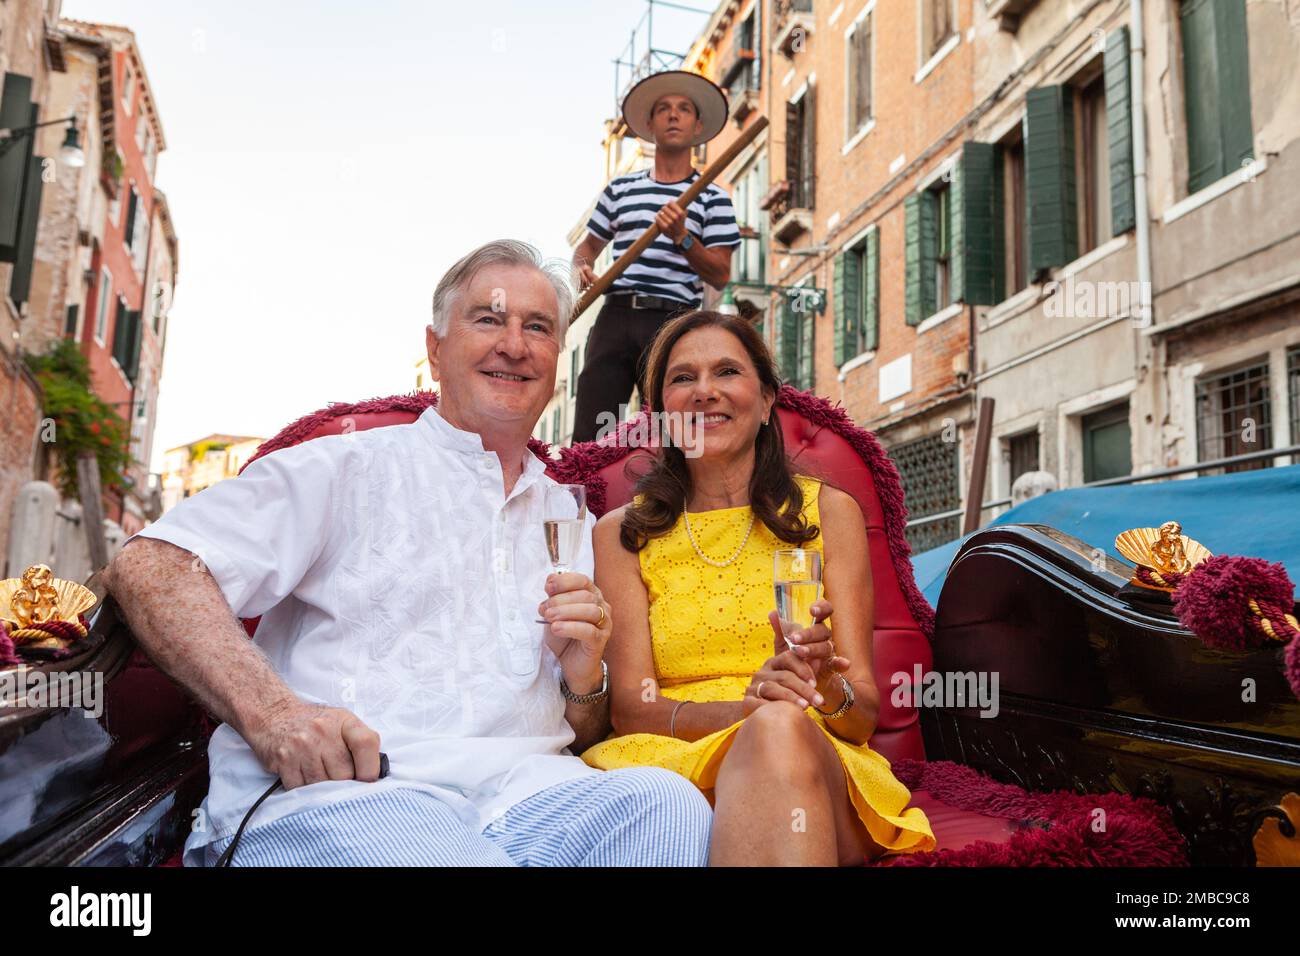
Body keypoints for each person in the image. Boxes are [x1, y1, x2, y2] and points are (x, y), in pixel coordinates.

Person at [105, 240, 712, 867]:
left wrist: (585, 680)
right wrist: (275, 714)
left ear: (556, 358)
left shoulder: (572, 515)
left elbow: (581, 731)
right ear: (434, 348)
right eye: (488, 319)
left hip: (528, 796)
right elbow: (155, 563)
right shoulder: (344, 467)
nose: (515, 343)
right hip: (357, 795)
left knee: (665, 805)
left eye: (538, 327)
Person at [581, 310, 937, 866]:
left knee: (779, 728)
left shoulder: (829, 513)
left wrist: (821, 681)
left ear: (768, 399)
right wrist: (747, 710)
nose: (704, 392)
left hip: (812, 765)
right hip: (669, 770)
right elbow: (631, 707)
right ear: (660, 412)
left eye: (727, 371)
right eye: (681, 378)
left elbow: (862, 713)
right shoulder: (620, 534)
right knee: (770, 723)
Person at [570, 70, 740, 443]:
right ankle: (581, 498)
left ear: (697, 125)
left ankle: (668, 499)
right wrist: (582, 266)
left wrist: (682, 237)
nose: (673, 115)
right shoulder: (620, 190)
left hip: (673, 320)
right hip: (615, 313)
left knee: (670, 429)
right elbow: (586, 249)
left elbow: (720, 274)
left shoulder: (714, 198)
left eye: (683, 109)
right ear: (650, 124)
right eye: (663, 109)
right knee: (593, 427)